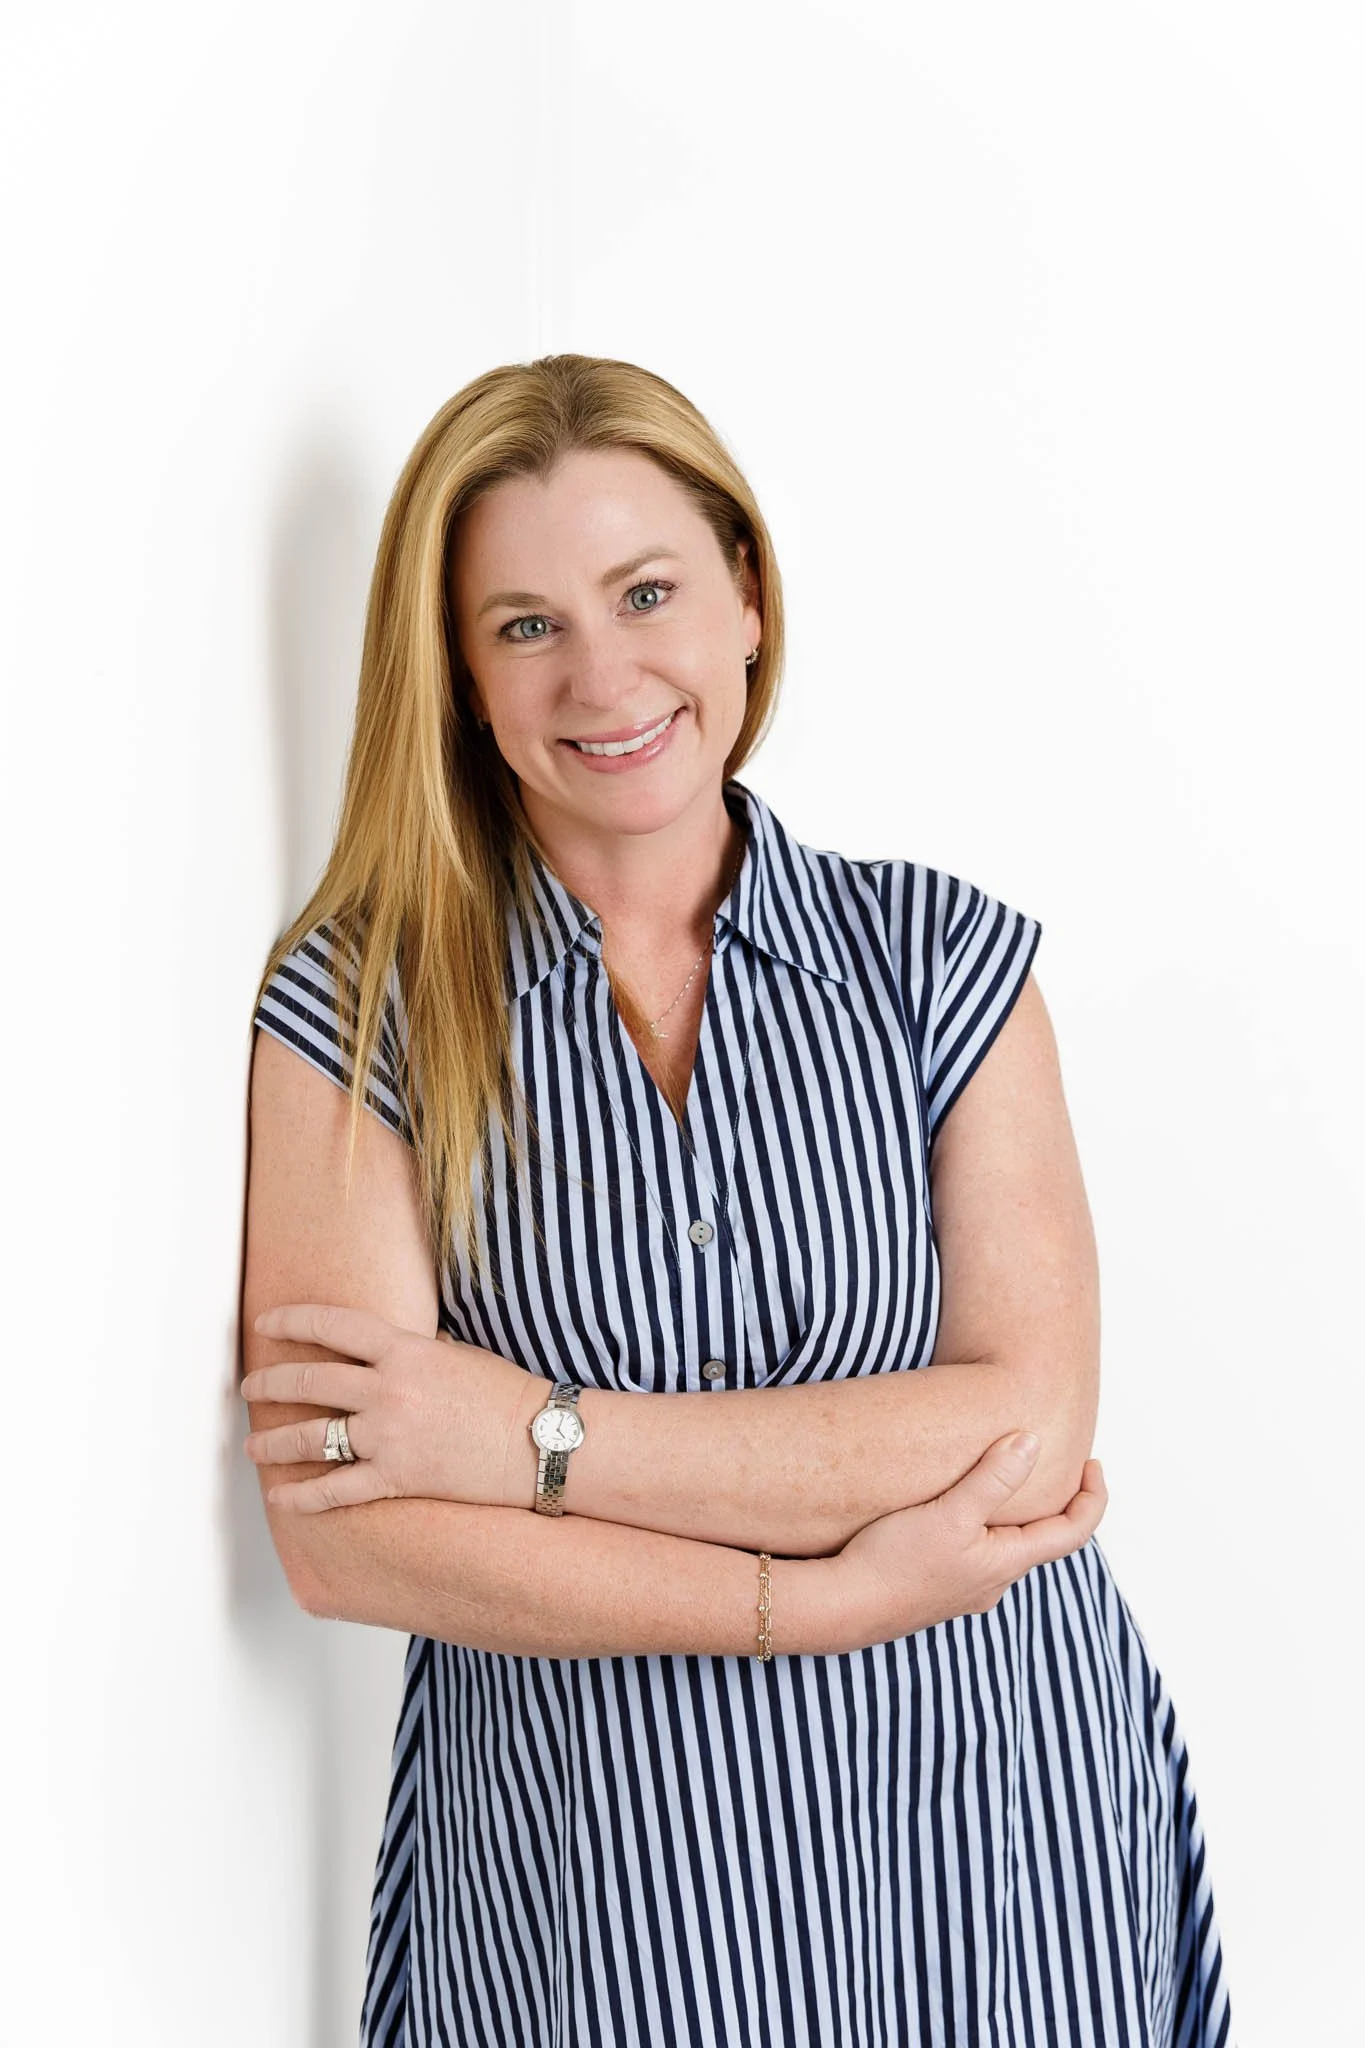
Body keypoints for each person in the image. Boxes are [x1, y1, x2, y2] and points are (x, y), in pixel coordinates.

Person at [240, 353, 1231, 2048]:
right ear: (462, 679)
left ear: (748, 601)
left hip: (1004, 1835)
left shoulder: (942, 964)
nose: (604, 673)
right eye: (527, 625)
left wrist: (529, 1442)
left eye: (648, 592)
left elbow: (1027, 1432)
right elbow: (348, 1538)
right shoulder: (364, 1011)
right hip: (599, 1882)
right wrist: (816, 1598)